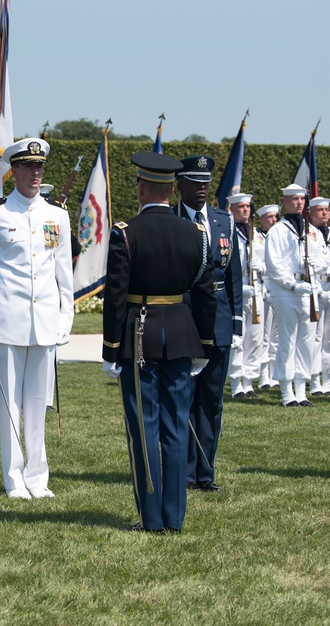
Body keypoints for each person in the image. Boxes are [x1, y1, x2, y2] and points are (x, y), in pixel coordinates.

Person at [102, 152, 216, 533]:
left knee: (144, 427)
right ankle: (175, 517)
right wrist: (204, 344)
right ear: (172, 189)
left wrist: (110, 349)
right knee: (176, 426)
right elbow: (205, 295)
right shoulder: (196, 234)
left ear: (140, 188)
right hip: (182, 336)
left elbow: (116, 297)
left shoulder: (126, 233)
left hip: (139, 335)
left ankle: (151, 518)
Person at [0, 137, 73, 500]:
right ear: (12, 170)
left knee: (37, 406)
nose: (35, 172)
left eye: (39, 166)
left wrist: (66, 320)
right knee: (10, 406)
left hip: (44, 323)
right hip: (7, 323)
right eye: (28, 166)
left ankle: (38, 477)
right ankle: (14, 478)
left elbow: (64, 276)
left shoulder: (57, 216)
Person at [175, 156, 242, 492]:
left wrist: (237, 322)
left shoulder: (222, 221)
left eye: (206, 183)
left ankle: (206, 471)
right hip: (184, 317)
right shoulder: (172, 220)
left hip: (218, 320)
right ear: (180, 185)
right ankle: (185, 472)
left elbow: (234, 274)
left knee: (212, 401)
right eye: (194, 182)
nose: (202, 189)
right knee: (184, 398)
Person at [264, 184, 328, 406]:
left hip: (309, 289)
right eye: (293, 199)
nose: (298, 202)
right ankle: (286, 392)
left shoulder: (313, 231)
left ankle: (301, 390)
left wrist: (316, 265)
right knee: (287, 342)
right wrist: (292, 285)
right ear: (284, 202)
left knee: (307, 343)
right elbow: (274, 266)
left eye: (301, 199)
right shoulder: (278, 231)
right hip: (287, 291)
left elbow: (324, 257)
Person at [226, 193, 261, 399]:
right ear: (232, 209)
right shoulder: (229, 232)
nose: (246, 210)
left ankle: (249, 381)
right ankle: (236, 382)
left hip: (256, 291)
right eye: (241, 207)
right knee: (238, 339)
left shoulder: (256, 233)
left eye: (248, 206)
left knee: (255, 340)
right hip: (239, 291)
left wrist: (261, 266)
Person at [307, 197, 330, 396]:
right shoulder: (307, 235)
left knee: (329, 339)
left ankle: (329, 379)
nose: (324, 213)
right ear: (310, 213)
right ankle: (314, 380)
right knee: (315, 338)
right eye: (319, 210)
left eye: (326, 210)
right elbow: (308, 262)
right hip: (316, 288)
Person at [253, 204, 279, 389]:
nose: (274, 220)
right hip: (262, 290)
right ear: (261, 219)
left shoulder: (278, 236)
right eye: (269, 217)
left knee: (275, 337)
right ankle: (263, 376)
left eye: (276, 216)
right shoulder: (256, 237)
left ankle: (273, 374)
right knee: (262, 336)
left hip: (277, 289)